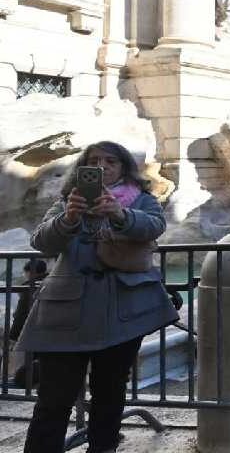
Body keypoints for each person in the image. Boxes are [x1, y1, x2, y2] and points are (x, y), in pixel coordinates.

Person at [18, 141, 178, 453]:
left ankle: (103, 447)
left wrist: (120, 215)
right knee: (54, 396)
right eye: (95, 161)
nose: (103, 166)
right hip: (67, 310)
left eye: (111, 161)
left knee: (110, 390)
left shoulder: (141, 199)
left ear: (123, 168)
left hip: (121, 308)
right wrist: (68, 219)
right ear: (83, 169)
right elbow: (42, 242)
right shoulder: (67, 201)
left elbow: (155, 226)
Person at [7, 259, 47, 389]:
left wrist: (13, 336)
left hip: (33, 333)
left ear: (30, 272)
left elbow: (21, 316)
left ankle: (31, 384)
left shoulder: (27, 288)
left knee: (32, 362)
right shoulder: (51, 283)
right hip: (53, 332)